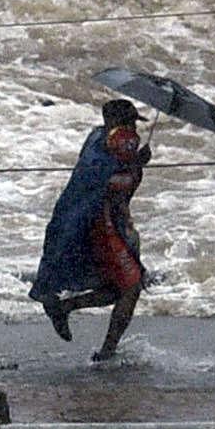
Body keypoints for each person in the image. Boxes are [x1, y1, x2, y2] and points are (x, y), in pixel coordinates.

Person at [30, 97, 151, 362]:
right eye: (130, 121)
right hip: (104, 225)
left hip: (111, 223)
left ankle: (67, 308)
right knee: (130, 288)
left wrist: (136, 165)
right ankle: (107, 351)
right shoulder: (110, 144)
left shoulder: (102, 141)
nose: (134, 128)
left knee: (119, 289)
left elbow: (120, 184)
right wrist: (137, 164)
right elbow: (110, 183)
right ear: (116, 121)